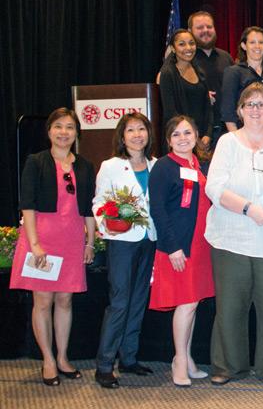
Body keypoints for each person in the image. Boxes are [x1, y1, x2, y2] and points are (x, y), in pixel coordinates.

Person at [204, 82, 263, 387]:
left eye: (262, 104)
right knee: (230, 305)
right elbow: (214, 188)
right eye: (250, 105)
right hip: (231, 237)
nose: (256, 110)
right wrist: (249, 209)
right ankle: (228, 365)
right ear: (240, 110)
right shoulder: (227, 143)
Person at [10, 108, 95, 386]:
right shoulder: (36, 162)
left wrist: (90, 242)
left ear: (76, 133)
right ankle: (47, 358)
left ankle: (63, 357)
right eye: (58, 126)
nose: (64, 132)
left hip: (71, 241)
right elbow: (28, 205)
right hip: (41, 241)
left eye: (70, 127)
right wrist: (34, 244)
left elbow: (88, 209)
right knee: (43, 301)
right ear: (49, 131)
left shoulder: (84, 166)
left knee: (65, 300)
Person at [148, 115, 215, 387]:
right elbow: (158, 210)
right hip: (179, 247)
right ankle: (178, 360)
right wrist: (173, 246)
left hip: (201, 245)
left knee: (193, 303)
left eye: (187, 132)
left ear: (196, 135)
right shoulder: (164, 167)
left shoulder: (199, 165)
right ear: (168, 140)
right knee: (185, 304)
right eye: (176, 134)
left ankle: (187, 358)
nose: (183, 138)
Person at [93, 113, 158, 389]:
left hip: (149, 238)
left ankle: (128, 358)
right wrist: (110, 220)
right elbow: (98, 202)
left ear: (148, 133)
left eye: (141, 129)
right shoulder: (111, 166)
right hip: (121, 240)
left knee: (138, 299)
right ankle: (105, 364)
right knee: (120, 301)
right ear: (122, 136)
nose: (136, 135)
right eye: (130, 130)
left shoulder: (157, 165)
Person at [221, 26, 263, 133]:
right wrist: (237, 141)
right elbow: (228, 112)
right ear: (244, 45)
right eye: (252, 42)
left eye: (261, 42)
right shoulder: (233, 72)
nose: (257, 46)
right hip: (243, 138)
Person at [158, 29, 213, 146]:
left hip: (202, 140)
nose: (188, 48)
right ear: (173, 48)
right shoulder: (168, 73)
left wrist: (208, 134)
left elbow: (207, 107)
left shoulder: (199, 71)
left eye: (192, 43)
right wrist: (191, 136)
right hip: (181, 139)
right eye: (182, 44)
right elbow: (170, 112)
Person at [188, 11, 235, 146]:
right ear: (190, 31)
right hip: (198, 132)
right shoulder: (186, 59)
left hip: (226, 130)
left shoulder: (225, 57)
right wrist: (200, 94)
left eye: (209, 27)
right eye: (200, 28)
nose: (205, 31)